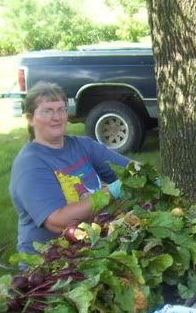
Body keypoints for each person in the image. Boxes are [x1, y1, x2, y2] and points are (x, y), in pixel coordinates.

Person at [9, 81, 130, 254]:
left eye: (61, 109)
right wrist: (112, 191)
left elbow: (129, 168)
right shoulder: (30, 164)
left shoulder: (82, 145)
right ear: (30, 119)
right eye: (47, 111)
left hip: (93, 245)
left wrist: (146, 175)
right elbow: (58, 221)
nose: (57, 117)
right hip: (51, 260)